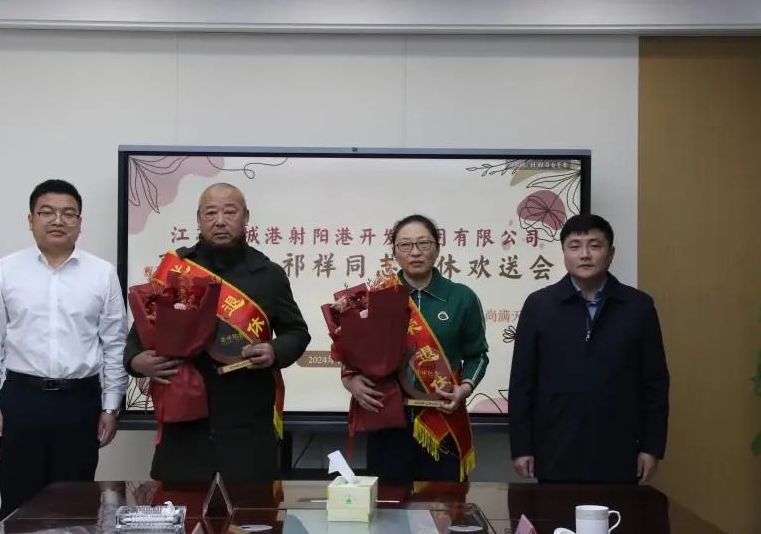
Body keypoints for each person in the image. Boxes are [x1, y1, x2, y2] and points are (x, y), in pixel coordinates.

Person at [124, 182, 310, 481]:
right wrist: (136, 361)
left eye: (230, 212)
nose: (220, 221)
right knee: (182, 506)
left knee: (250, 508)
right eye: (211, 213)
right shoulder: (176, 270)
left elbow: (297, 333)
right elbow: (138, 335)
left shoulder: (268, 274)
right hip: (184, 423)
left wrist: (274, 350)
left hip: (246, 425)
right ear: (199, 219)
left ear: (246, 217)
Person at [0, 179, 128, 521]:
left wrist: (111, 406)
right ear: (31, 219)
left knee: (76, 508)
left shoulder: (102, 274)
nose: (58, 220)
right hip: (22, 400)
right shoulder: (6, 270)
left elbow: (115, 344)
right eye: (47, 212)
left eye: (68, 213)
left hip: (80, 403)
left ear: (79, 222)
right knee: (18, 505)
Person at [509, 214, 670, 484]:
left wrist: (652, 447)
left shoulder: (638, 306)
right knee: (555, 511)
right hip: (554, 446)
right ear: (563, 253)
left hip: (621, 447)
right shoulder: (539, 305)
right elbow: (522, 382)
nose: (585, 254)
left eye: (595, 245)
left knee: (620, 511)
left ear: (611, 253)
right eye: (574, 246)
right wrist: (522, 446)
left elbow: (655, 383)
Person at [342, 214, 489, 481]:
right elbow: (354, 353)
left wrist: (465, 388)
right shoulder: (375, 297)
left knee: (443, 502)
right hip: (387, 420)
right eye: (405, 245)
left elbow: (477, 355)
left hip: (442, 419)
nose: (415, 252)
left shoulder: (462, 297)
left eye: (424, 243)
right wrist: (350, 380)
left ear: (437, 248)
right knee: (388, 501)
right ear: (394, 252)